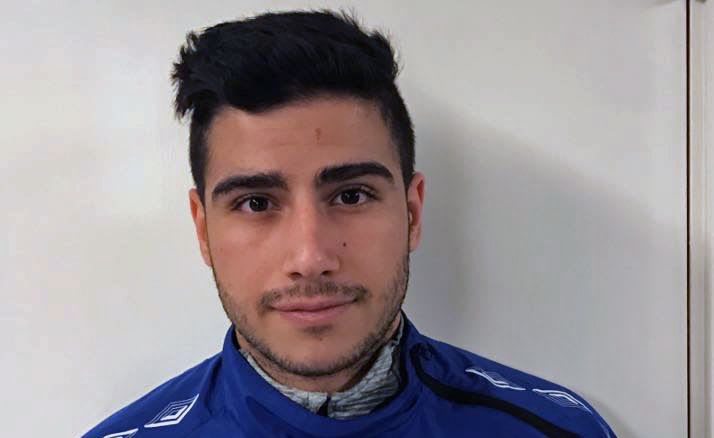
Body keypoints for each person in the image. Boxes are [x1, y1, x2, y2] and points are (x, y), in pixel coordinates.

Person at [82, 10, 615, 438]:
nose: (310, 257)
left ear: (412, 213)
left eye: (351, 195)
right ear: (203, 230)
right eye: (256, 203)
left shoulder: (556, 429)